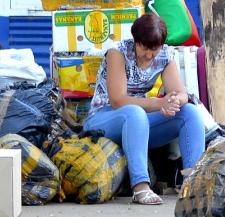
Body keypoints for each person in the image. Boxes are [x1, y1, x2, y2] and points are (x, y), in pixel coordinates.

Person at [83, 13, 205, 205]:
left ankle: (194, 182)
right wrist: (159, 104)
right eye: (144, 48)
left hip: (137, 122)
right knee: (134, 112)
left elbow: (181, 93)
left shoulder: (166, 54)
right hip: (105, 118)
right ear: (135, 41)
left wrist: (173, 101)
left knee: (190, 113)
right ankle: (140, 186)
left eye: (154, 49)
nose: (149, 55)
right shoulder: (118, 52)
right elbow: (118, 101)